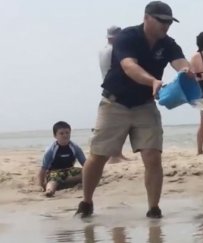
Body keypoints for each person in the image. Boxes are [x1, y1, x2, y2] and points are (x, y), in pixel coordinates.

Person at [75, 1, 193, 219]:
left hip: (145, 106)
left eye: (169, 22)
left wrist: (186, 70)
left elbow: (180, 62)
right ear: (147, 17)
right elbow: (129, 66)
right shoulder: (127, 37)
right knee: (98, 155)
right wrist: (153, 81)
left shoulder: (167, 43)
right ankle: (86, 202)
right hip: (114, 103)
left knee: (152, 156)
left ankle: (154, 209)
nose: (166, 26)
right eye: (161, 21)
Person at [98, 25, 133, 164]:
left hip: (108, 84)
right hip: (115, 87)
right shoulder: (113, 50)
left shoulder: (103, 50)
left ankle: (117, 153)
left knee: (118, 122)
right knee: (117, 122)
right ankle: (114, 155)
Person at [38, 121, 86, 197]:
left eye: (67, 133)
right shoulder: (51, 150)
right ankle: (49, 191)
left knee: (85, 172)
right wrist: (41, 184)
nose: (65, 135)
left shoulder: (75, 147)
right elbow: (43, 168)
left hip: (69, 170)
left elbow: (85, 164)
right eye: (61, 133)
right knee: (53, 180)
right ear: (55, 135)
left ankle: (68, 182)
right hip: (54, 172)